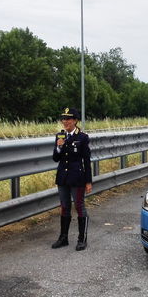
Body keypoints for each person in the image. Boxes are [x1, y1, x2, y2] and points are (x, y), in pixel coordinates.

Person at [51, 108, 92, 251]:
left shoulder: (82, 137)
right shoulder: (59, 136)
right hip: (62, 177)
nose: (65, 122)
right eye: (63, 119)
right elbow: (56, 158)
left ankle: (82, 239)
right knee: (64, 207)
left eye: (68, 119)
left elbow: (86, 160)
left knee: (79, 207)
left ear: (75, 121)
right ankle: (63, 238)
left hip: (77, 177)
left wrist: (88, 181)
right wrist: (58, 148)